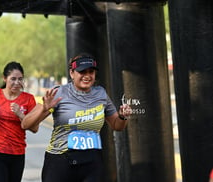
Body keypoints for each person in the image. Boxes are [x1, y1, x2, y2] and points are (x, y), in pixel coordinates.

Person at [21, 54, 132, 182]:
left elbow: (117, 126)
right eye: (82, 72)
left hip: (91, 161)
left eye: (91, 72)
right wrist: (44, 108)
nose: (87, 76)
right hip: (61, 161)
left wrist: (123, 116)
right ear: (72, 73)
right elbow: (26, 124)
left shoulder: (100, 94)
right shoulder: (59, 93)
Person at [0, 61, 38, 182]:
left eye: (20, 79)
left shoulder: (28, 99)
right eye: (13, 79)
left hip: (17, 154)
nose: (17, 83)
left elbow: (35, 128)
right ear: (4, 78)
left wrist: (20, 114)